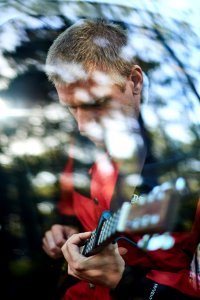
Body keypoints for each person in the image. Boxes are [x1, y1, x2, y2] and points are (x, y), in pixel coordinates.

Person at [42, 19, 200, 299]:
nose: (82, 126)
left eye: (95, 103)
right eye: (72, 109)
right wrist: (64, 232)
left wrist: (125, 281)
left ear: (134, 81)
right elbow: (73, 214)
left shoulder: (188, 162)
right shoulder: (79, 156)